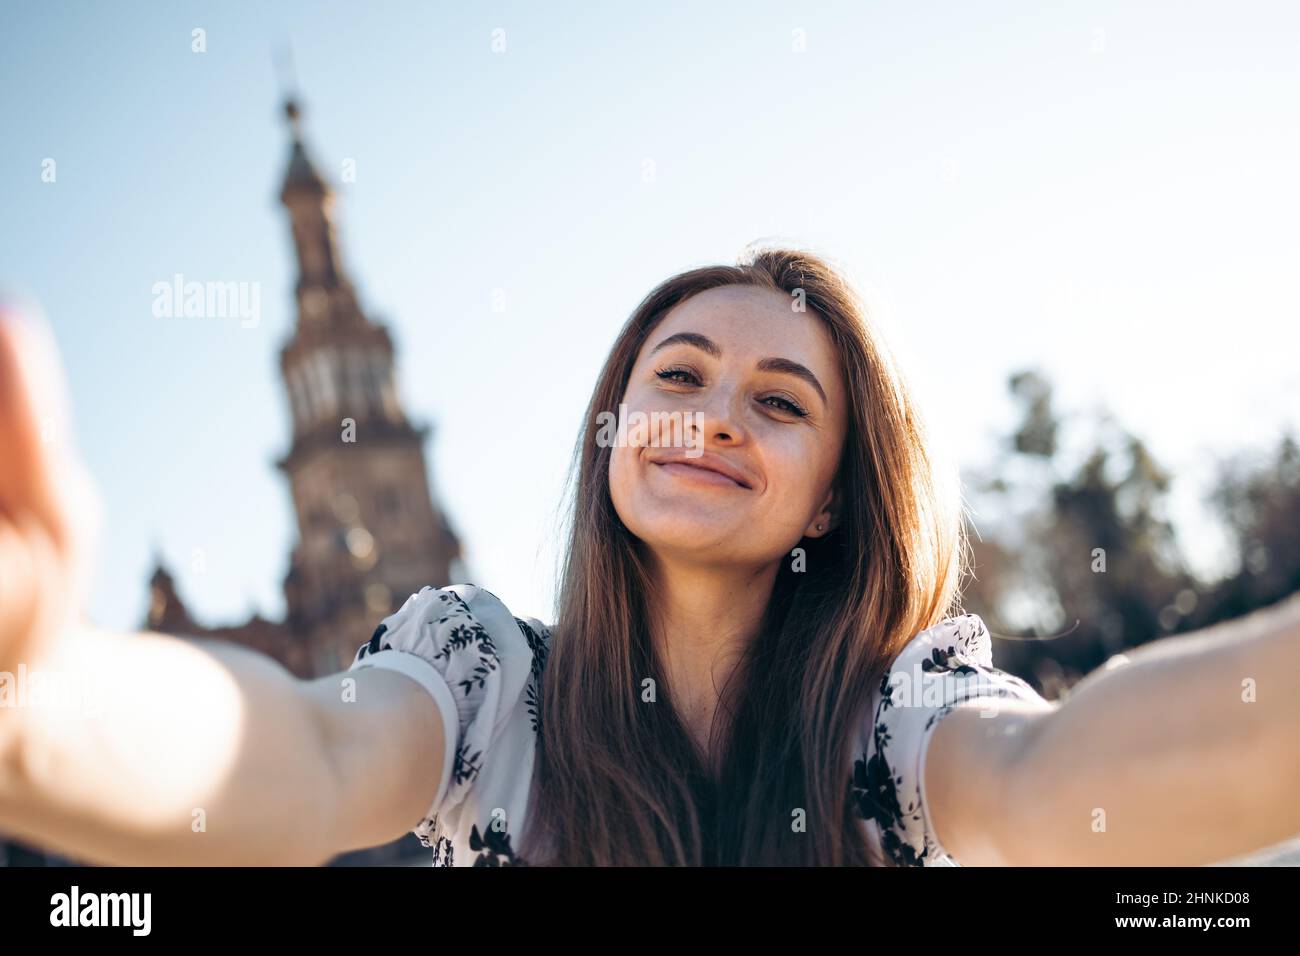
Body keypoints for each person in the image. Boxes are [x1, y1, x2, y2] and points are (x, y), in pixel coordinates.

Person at [1, 248, 1297, 867]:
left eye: (781, 402)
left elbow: (1052, 778)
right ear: (616, 433)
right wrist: (35, 702)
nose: (716, 412)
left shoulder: (886, 731)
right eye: (677, 374)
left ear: (834, 503)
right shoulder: (488, 689)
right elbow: (301, 754)